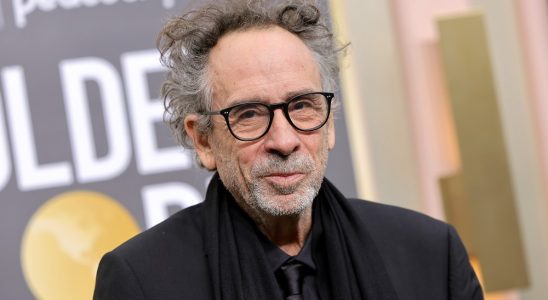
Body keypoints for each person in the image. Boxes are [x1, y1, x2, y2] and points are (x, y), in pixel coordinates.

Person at [93, 0, 483, 299]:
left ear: (329, 123)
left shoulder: (430, 255)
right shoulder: (141, 281)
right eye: (248, 114)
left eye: (302, 106)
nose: (283, 140)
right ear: (204, 140)